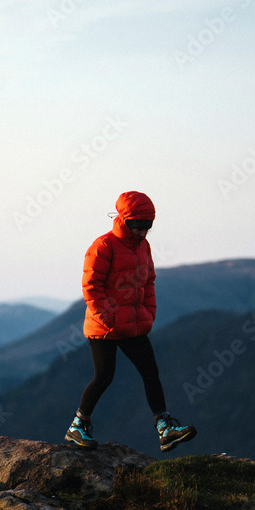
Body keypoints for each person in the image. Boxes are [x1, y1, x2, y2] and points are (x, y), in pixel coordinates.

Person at [64, 191, 197, 452]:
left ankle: (165, 428)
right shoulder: (103, 246)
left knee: (151, 372)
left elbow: (148, 282)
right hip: (105, 327)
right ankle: (77, 427)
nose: (143, 232)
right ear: (124, 220)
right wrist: (108, 318)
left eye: (148, 226)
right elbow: (91, 286)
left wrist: (148, 313)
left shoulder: (143, 247)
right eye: (138, 226)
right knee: (104, 377)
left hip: (134, 325)